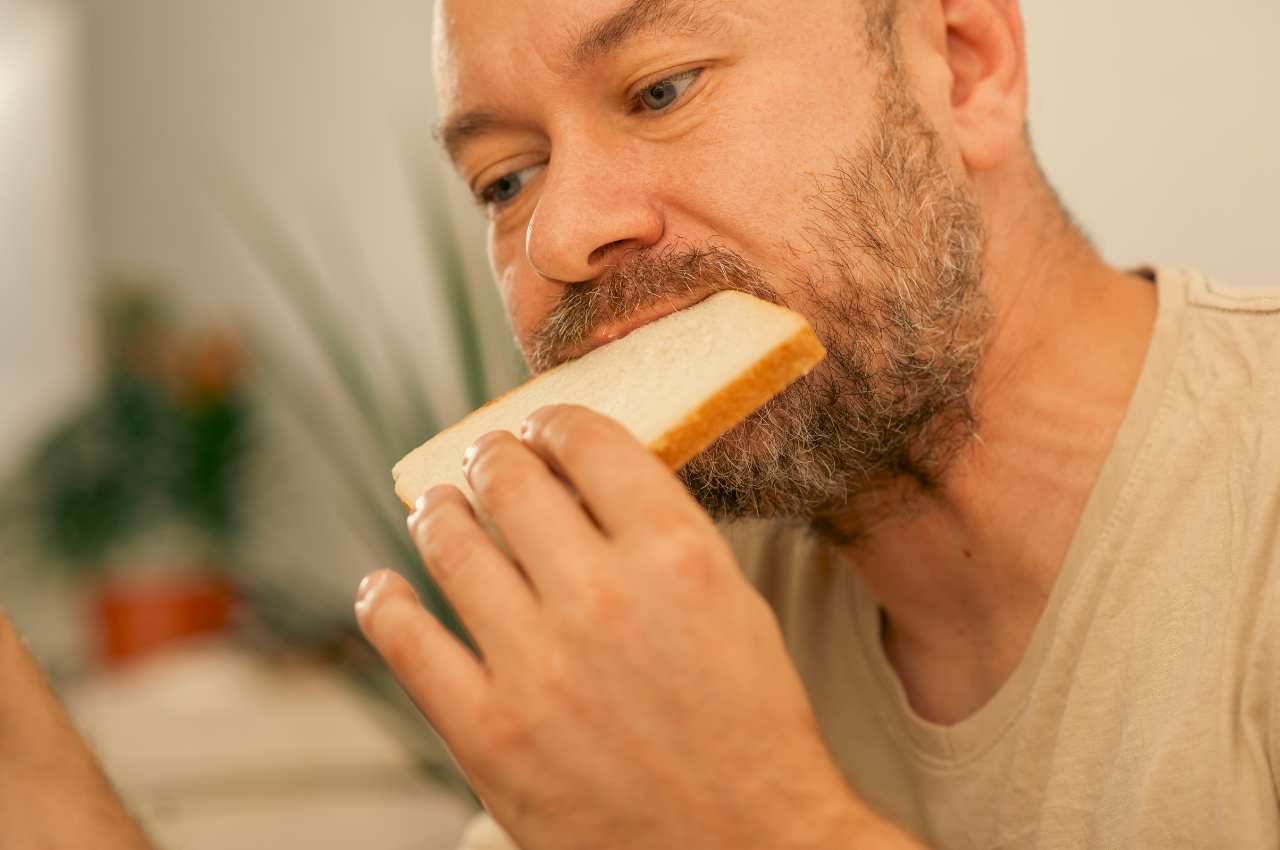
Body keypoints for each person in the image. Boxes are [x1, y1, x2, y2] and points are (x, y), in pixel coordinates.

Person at [2, 1, 1275, 848]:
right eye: (504, 179)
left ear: (962, 63)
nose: (559, 235)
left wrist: (761, 825)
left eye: (659, 90)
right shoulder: (656, 599)